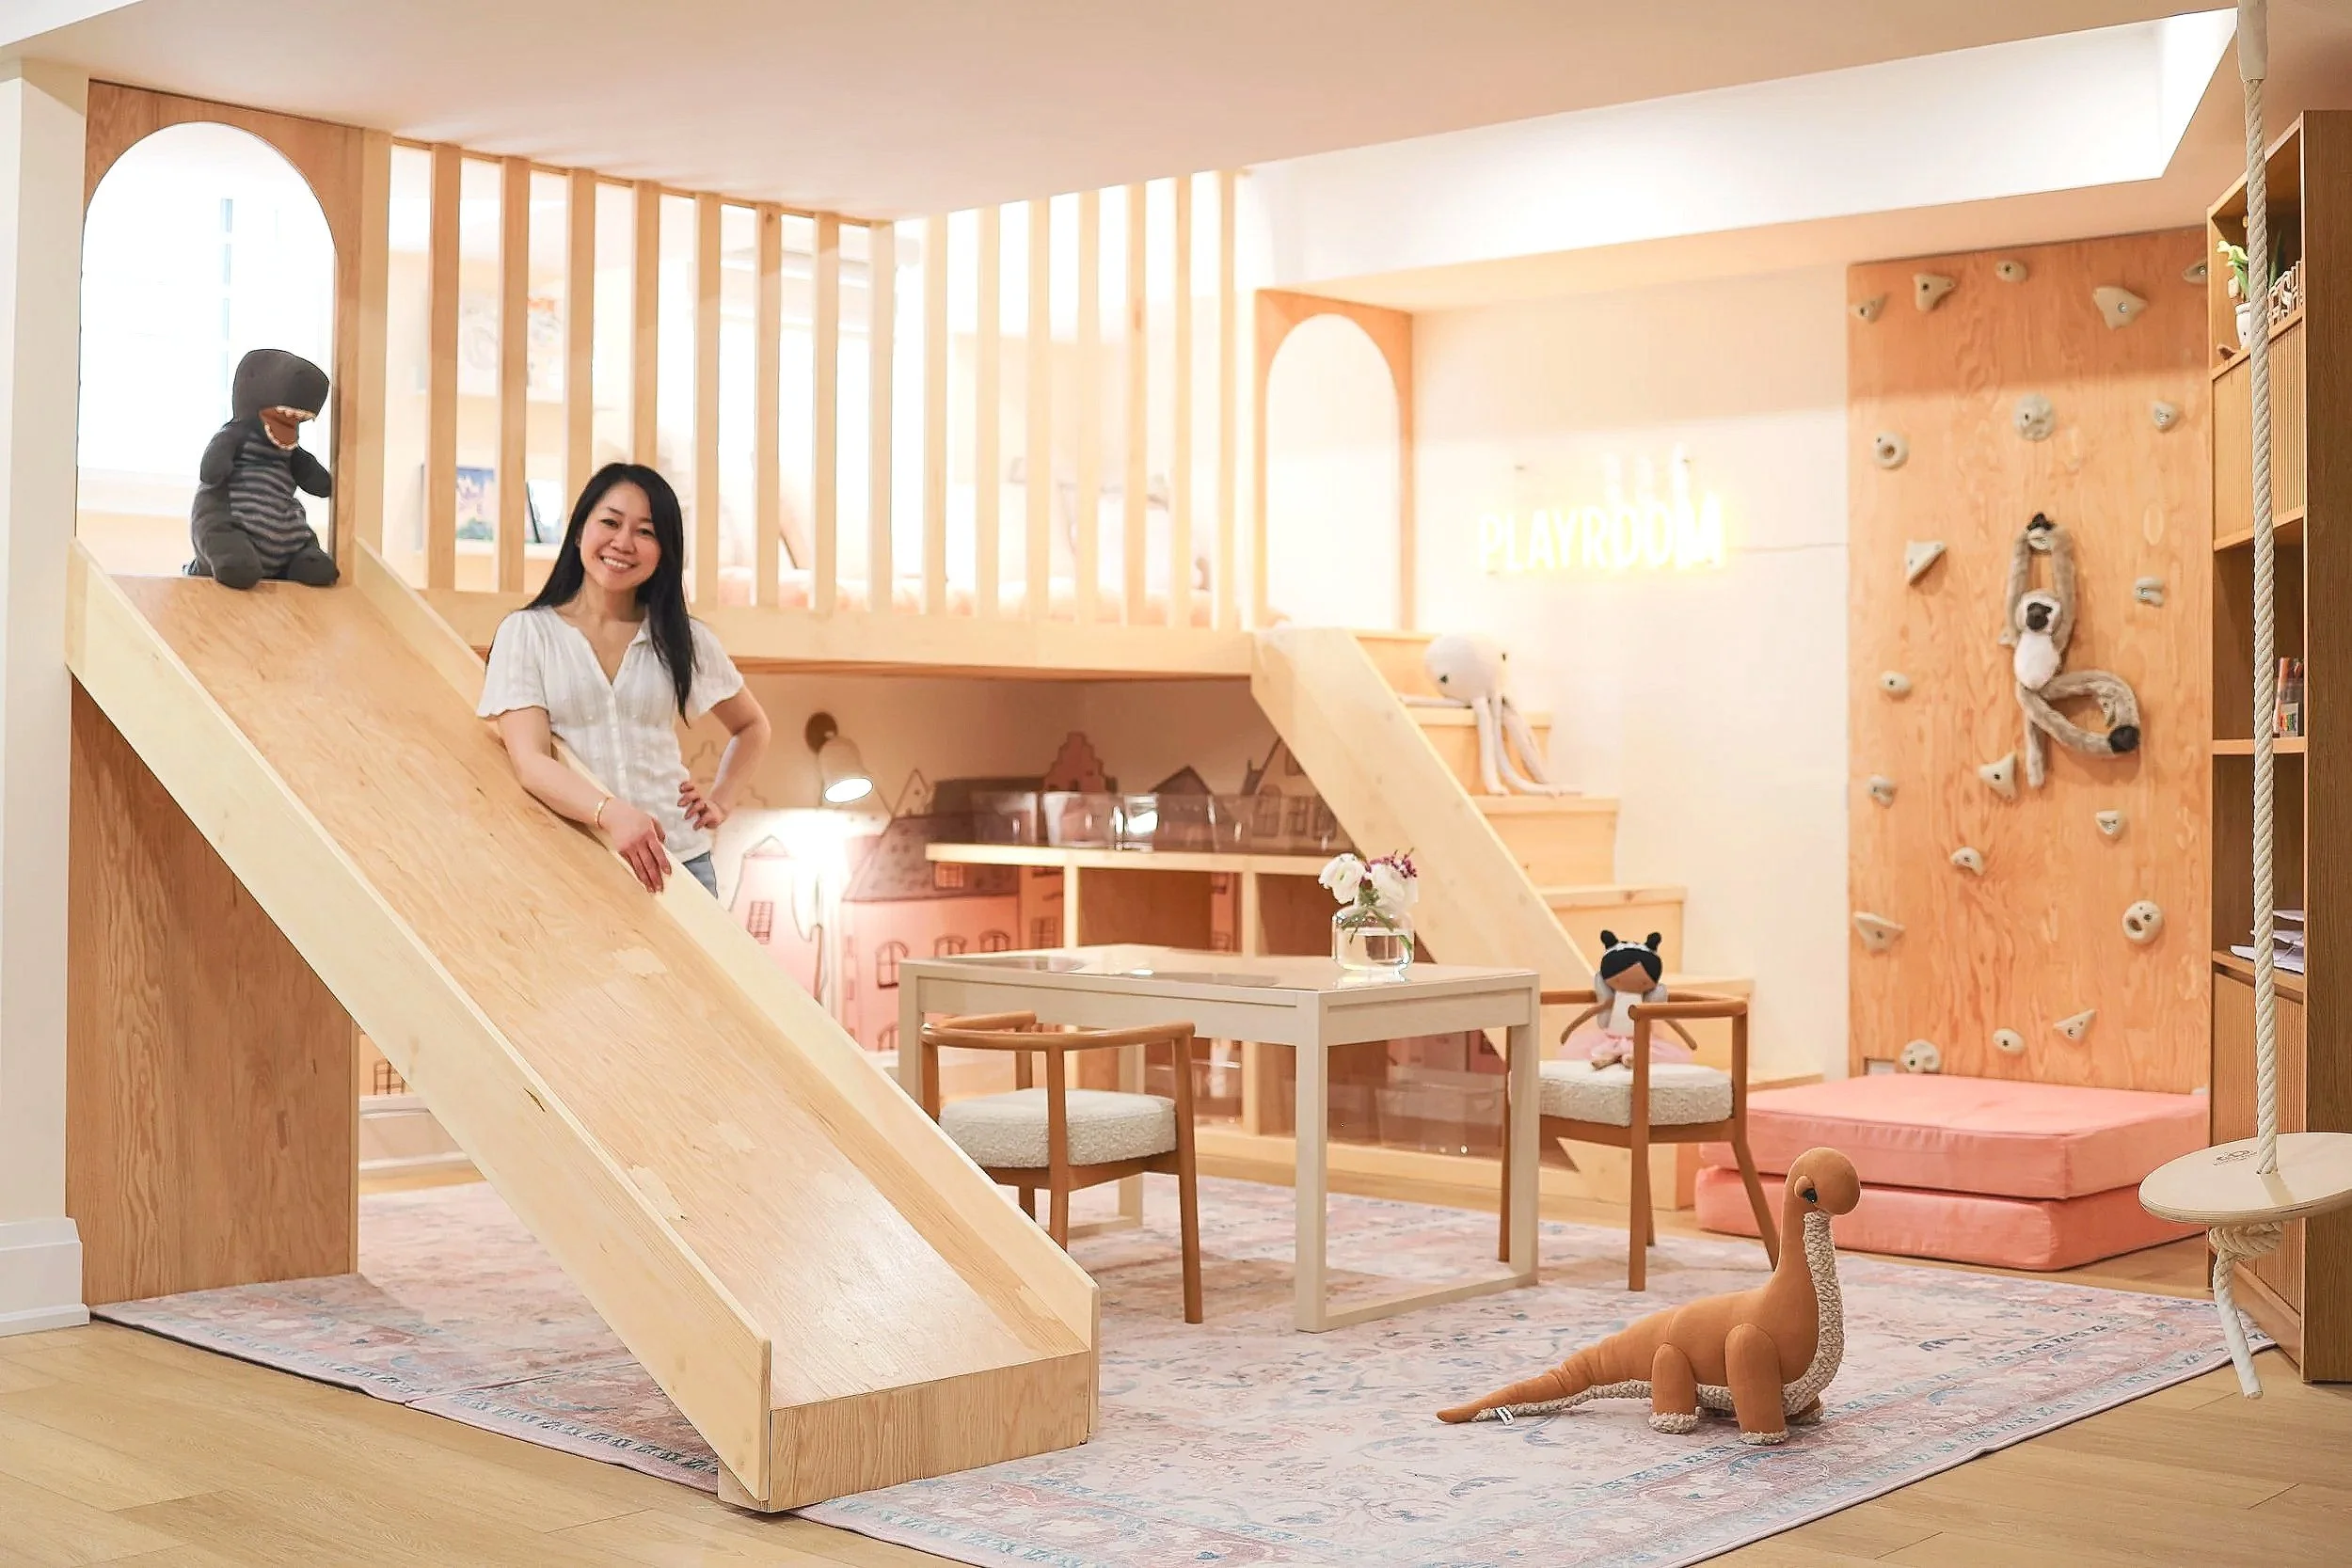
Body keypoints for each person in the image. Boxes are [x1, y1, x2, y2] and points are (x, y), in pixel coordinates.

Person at [477, 462, 771, 895]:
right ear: (580, 531)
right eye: (611, 522)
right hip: (576, 860)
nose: (623, 542)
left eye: (646, 532)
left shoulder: (684, 638)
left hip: (681, 863)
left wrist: (721, 801)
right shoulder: (527, 633)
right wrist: (611, 813)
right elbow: (531, 762)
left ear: (664, 551)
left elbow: (752, 727)